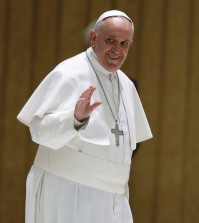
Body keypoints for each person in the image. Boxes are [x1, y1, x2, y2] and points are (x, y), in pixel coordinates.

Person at [17, 10, 152, 223]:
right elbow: (38, 132)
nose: (117, 50)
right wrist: (74, 119)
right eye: (110, 40)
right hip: (67, 193)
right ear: (93, 38)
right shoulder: (68, 73)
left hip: (113, 199)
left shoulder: (126, 84)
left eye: (124, 43)